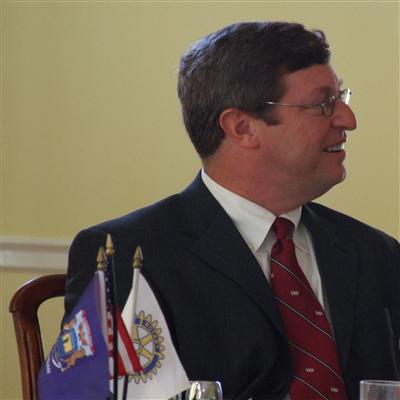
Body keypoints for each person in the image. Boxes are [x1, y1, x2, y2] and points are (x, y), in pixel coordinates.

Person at [64, 21, 400, 399]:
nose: (347, 119)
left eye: (341, 97)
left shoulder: (376, 254)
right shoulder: (126, 255)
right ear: (242, 127)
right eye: (322, 104)